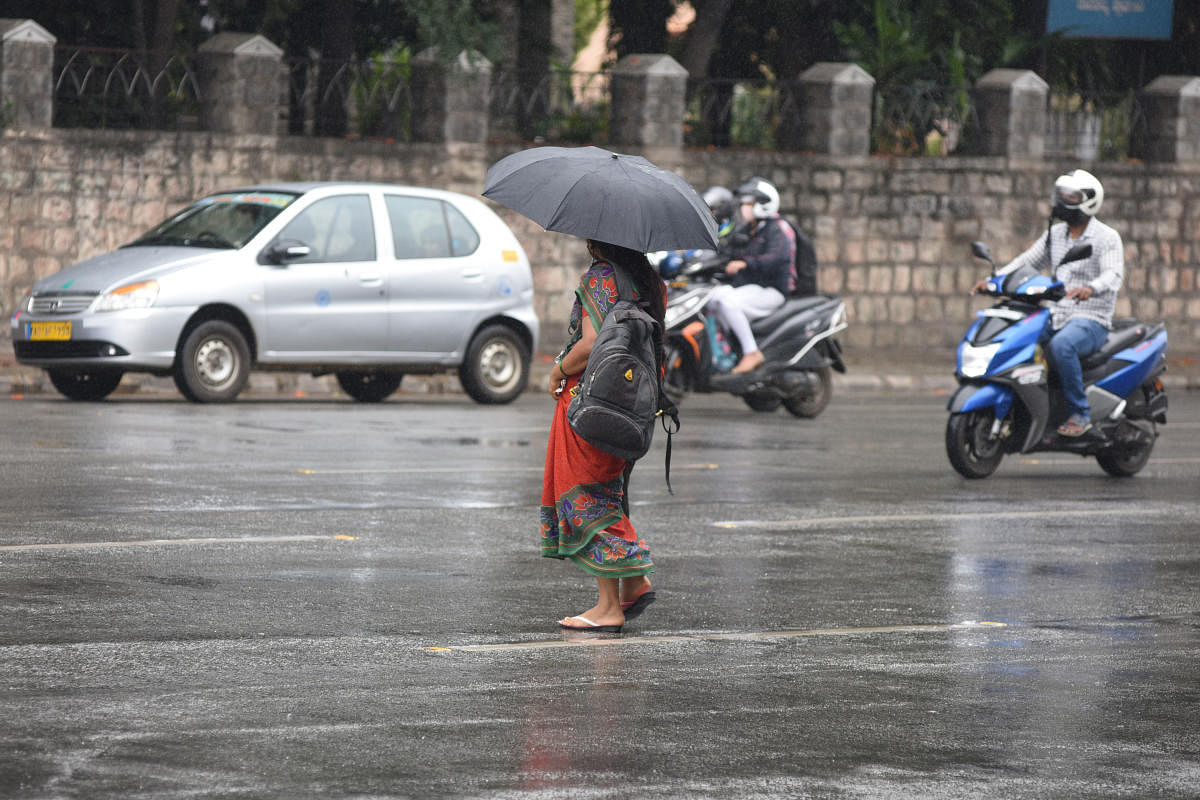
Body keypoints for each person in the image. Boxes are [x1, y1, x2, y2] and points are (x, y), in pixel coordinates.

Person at [542, 239, 666, 633]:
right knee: (610, 487)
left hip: (592, 399)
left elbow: (591, 343)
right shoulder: (648, 280)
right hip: (632, 401)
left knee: (590, 493)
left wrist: (558, 369)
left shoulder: (600, 278)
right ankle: (632, 581)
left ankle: (608, 606)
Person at [971, 168, 1124, 437]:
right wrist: (994, 279)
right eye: (1061, 195)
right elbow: (1027, 260)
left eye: (1072, 196)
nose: (1064, 201)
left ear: (1090, 200)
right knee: (1017, 336)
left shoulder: (1106, 237)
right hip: (1056, 313)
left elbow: (1113, 275)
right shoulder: (1057, 234)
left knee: (1061, 346)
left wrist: (1091, 288)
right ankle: (1029, 406)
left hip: (1091, 319)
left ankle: (1080, 413)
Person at [707, 177, 796, 373]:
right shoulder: (752, 229)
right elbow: (732, 249)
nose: (745, 207)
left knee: (728, 302)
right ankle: (727, 350)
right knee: (712, 299)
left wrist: (745, 263)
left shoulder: (778, 229)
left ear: (764, 205)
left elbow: (777, 258)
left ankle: (751, 352)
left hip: (772, 290)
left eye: (749, 203)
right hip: (751, 287)